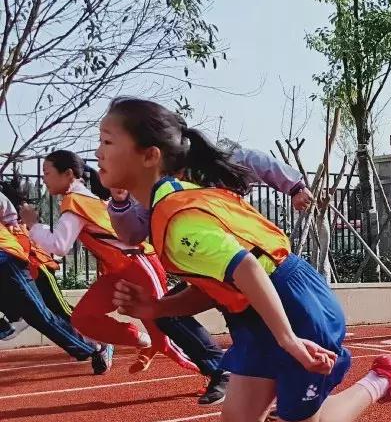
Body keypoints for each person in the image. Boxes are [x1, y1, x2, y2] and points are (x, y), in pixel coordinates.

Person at [99, 97, 391, 422]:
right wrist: (154, 309)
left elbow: (248, 272)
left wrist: (289, 340)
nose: (97, 152)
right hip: (259, 313)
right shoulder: (172, 207)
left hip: (292, 307)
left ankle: (381, 383)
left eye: (107, 141)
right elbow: (222, 283)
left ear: (149, 154)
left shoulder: (178, 219)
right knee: (238, 418)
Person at [107, 150, 314, 405]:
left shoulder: (208, 161)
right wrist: (119, 202)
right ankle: (225, 370)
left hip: (255, 266)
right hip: (212, 277)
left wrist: (294, 186)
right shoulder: (154, 189)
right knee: (169, 314)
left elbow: (254, 161)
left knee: (268, 336)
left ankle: (302, 390)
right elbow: (132, 233)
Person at [20, 150, 196, 375]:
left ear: (68, 174)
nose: (43, 178)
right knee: (83, 318)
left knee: (165, 334)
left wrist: (33, 224)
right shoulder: (80, 199)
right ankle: (142, 339)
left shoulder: (76, 201)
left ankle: (216, 372)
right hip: (118, 270)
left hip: (139, 264)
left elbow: (60, 245)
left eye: (47, 172)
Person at [0, 190, 111, 373]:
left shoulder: (14, 226)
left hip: (24, 262)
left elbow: (11, 216)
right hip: (22, 264)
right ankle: (14, 321)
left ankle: (98, 342)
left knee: (55, 311)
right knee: (39, 313)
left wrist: (15, 224)